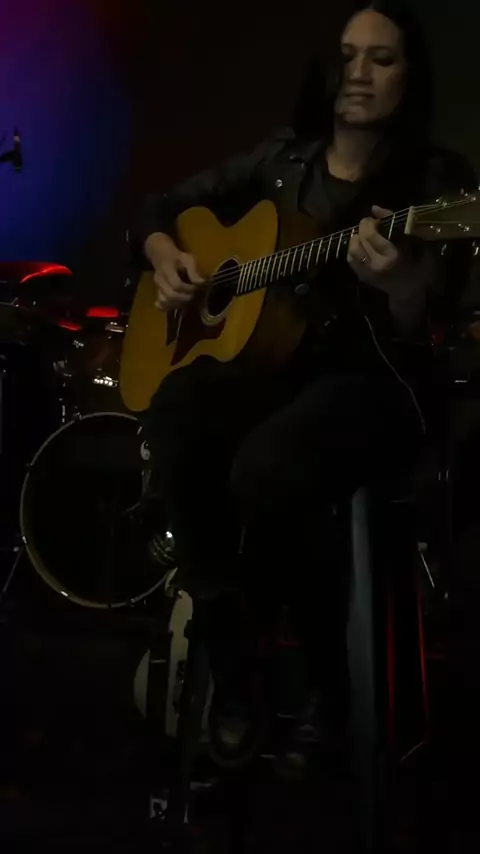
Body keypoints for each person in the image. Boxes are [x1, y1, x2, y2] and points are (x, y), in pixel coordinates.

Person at [131, 0, 476, 767]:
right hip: (282, 377)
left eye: (381, 58)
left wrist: (400, 286)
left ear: (410, 75)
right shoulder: (282, 161)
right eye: (348, 55)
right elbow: (159, 208)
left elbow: (432, 322)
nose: (360, 72)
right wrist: (163, 254)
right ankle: (231, 652)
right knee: (178, 406)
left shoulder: (436, 183)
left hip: (376, 384)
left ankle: (328, 685)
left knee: (267, 465)